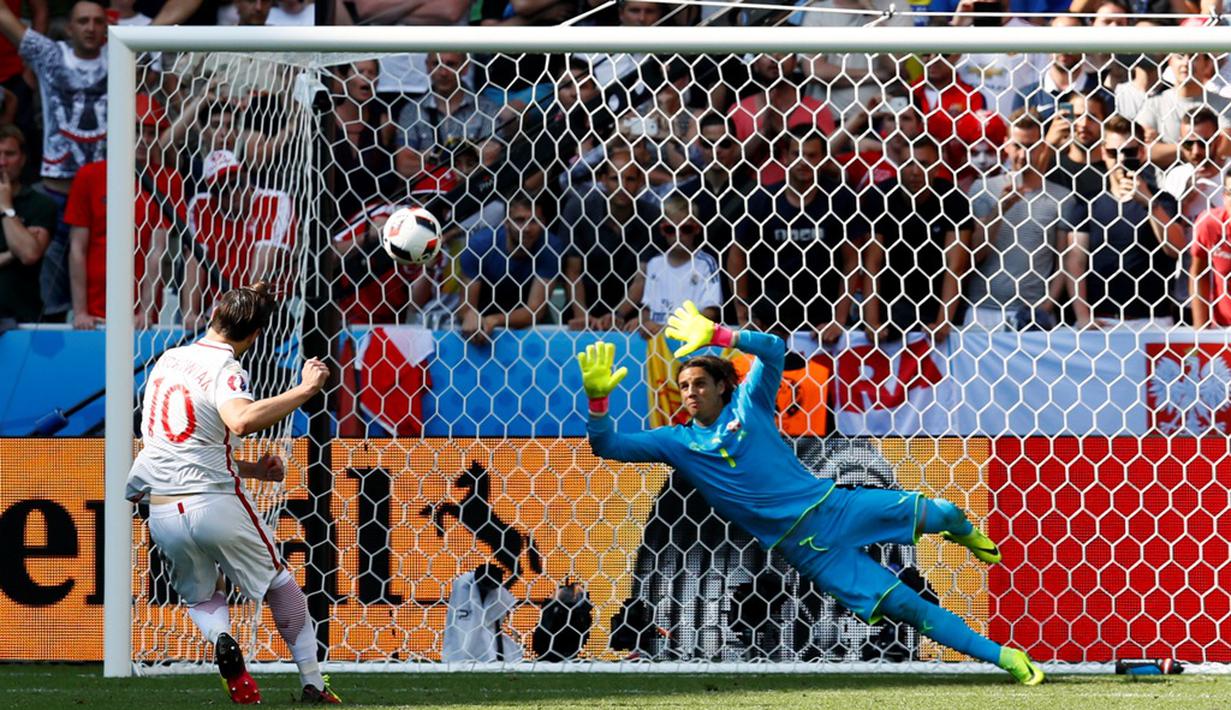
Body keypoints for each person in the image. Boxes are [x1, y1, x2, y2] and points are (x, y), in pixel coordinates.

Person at [576, 302, 1046, 685]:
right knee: (909, 607)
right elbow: (608, 445)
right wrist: (598, 402)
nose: (690, 392)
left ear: (722, 385)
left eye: (699, 383)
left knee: (943, 512)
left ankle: (963, 533)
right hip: (806, 550)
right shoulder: (675, 442)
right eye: (683, 386)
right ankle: (1004, 658)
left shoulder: (751, 404)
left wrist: (721, 335)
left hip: (835, 506)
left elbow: (775, 350)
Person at [125, 283, 340, 704]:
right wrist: (305, 390)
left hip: (164, 510)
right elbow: (239, 420)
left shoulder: (168, 360)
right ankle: (313, 683)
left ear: (214, 316)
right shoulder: (228, 369)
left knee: (203, 596)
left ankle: (225, 643)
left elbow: (182, 444)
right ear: (256, 336)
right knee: (279, 583)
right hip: (215, 502)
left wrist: (254, 469)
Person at [0, 0, 108, 318]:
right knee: (50, 300)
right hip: (57, 196)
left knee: (108, 291)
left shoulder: (124, 52)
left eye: (98, 21)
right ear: (69, 27)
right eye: (83, 21)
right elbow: (5, 17)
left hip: (105, 200)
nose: (90, 27)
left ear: (108, 27)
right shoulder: (51, 54)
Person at [67, 95, 183, 330]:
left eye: (152, 133)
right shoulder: (89, 176)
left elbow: (157, 249)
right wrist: (80, 311)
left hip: (141, 312)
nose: (144, 140)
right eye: (137, 131)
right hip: (94, 307)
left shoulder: (168, 179)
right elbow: (77, 248)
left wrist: (146, 310)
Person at [0, 123, 56, 329]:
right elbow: (21, 251)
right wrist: (11, 254)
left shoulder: (40, 204)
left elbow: (29, 254)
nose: (2, 162)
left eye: (10, 154)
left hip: (23, 321)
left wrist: (6, 207)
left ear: (22, 159)